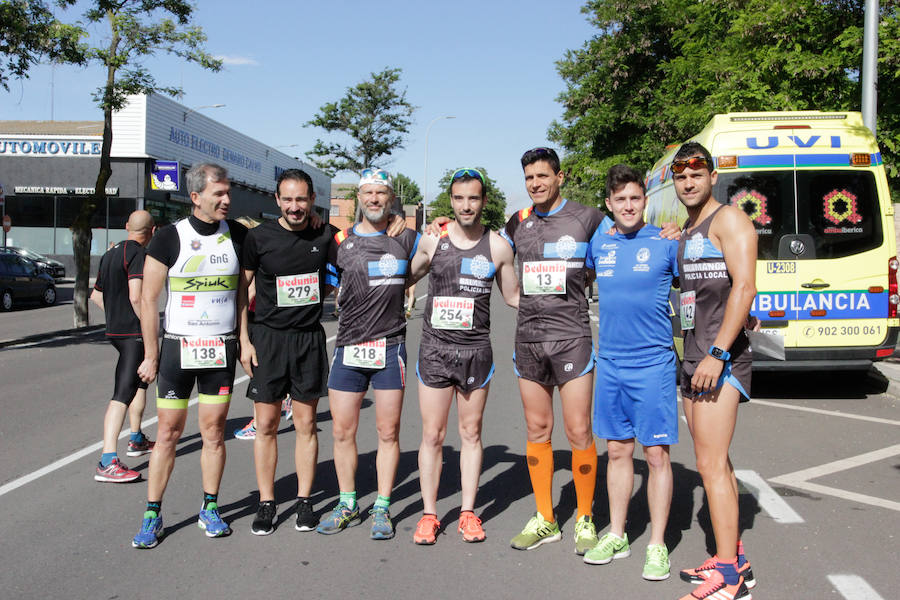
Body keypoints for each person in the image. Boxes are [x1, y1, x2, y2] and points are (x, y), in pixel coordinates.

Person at [131, 163, 249, 549]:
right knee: (168, 433)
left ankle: (209, 508)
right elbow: (148, 299)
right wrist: (151, 354)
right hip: (177, 349)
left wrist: (244, 341)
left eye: (228, 192)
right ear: (196, 197)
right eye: (219, 193)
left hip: (219, 349)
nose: (227, 200)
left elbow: (241, 295)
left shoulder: (238, 235)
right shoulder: (169, 237)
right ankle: (153, 513)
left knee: (214, 432)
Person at [406, 168, 519, 545]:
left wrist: (559, 302)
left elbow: (513, 296)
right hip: (435, 351)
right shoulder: (433, 240)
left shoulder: (498, 247)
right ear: (451, 201)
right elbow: (406, 277)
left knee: (470, 433)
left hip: (475, 353)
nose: (466, 205)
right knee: (432, 435)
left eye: (473, 198)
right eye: (459, 198)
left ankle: (468, 513)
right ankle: (429, 514)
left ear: (483, 201)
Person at [501, 147, 604, 555]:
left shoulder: (588, 218)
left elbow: (622, 246)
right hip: (528, 339)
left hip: (572, 338)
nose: (535, 184)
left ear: (560, 177)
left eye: (542, 176)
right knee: (537, 430)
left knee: (578, 431)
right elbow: (483, 248)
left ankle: (585, 517)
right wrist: (443, 228)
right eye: (529, 178)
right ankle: (546, 518)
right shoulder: (517, 222)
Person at [581, 165, 679, 581]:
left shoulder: (667, 242)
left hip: (653, 363)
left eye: (635, 198)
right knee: (618, 452)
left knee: (655, 455)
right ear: (609, 204)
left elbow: (705, 283)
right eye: (619, 199)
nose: (627, 206)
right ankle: (617, 534)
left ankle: (656, 544)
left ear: (645, 200)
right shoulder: (599, 242)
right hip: (611, 363)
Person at [672, 142, 757, 600]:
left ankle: (729, 578)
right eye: (681, 176)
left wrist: (718, 353)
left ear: (712, 176)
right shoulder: (688, 229)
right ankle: (735, 557)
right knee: (715, 461)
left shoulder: (730, 220)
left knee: (710, 465)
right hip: (693, 357)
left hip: (718, 360)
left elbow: (744, 287)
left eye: (696, 174)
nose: (688, 182)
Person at [318, 168, 420, 540]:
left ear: (391, 198)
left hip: (390, 348)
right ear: (359, 198)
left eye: (381, 193)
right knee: (342, 431)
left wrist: (440, 222)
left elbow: (445, 246)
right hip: (348, 348)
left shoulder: (408, 237)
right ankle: (347, 503)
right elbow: (328, 288)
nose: (374, 199)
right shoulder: (340, 240)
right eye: (368, 193)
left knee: (387, 431)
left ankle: (382, 506)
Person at [237, 168, 334, 535]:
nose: (295, 206)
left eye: (301, 199)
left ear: (312, 200)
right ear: (277, 200)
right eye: (288, 199)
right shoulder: (258, 237)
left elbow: (361, 244)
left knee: (307, 424)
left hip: (308, 339)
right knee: (266, 425)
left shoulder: (326, 234)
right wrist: (244, 341)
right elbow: (240, 291)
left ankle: (304, 500)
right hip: (268, 340)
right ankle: (267, 502)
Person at [90, 210, 156, 483]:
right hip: (133, 333)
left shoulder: (110, 254)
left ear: (127, 226)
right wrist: (149, 330)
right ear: (153, 231)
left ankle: (136, 437)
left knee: (139, 383)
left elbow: (96, 296)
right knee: (122, 394)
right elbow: (137, 297)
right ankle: (107, 461)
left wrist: (114, 315)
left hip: (117, 331)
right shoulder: (138, 254)